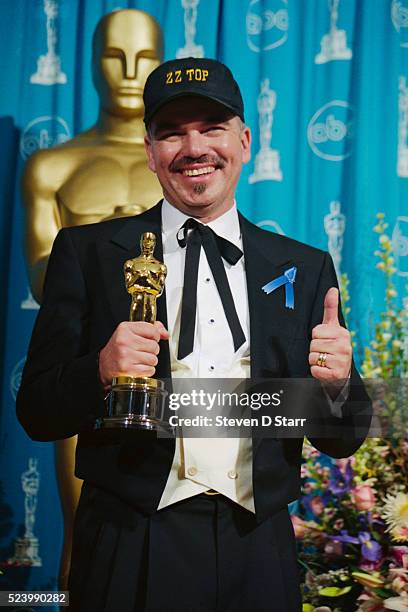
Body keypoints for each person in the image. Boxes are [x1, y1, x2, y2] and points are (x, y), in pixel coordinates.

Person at [17, 57, 371, 612]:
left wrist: (338, 386)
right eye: (172, 132)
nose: (194, 147)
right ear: (150, 150)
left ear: (246, 140)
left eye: (212, 127)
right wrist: (100, 370)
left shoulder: (305, 268)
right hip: (129, 542)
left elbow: (343, 439)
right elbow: (36, 411)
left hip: (259, 550)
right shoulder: (87, 253)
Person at [21, 8, 163, 587]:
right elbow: (40, 282)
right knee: (84, 537)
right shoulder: (54, 167)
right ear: (90, 60)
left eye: (144, 56)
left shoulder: (187, 168)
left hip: (171, 373)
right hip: (88, 372)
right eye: (114, 55)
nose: (129, 71)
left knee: (169, 537)